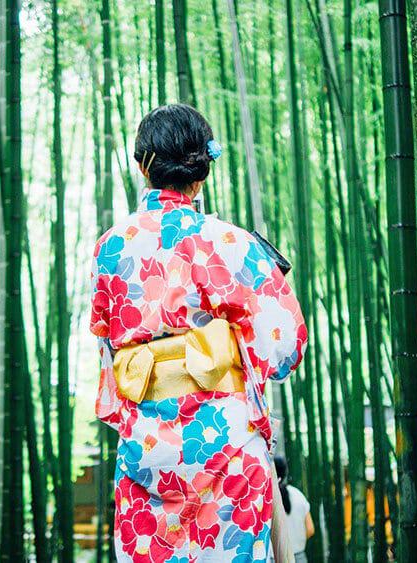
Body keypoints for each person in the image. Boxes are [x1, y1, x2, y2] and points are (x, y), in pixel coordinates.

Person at [88, 104, 308, 562]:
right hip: (227, 445)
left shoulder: (109, 247)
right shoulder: (230, 242)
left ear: (142, 164)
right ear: (202, 171)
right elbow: (286, 346)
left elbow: (109, 351)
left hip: (145, 449)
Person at [273, 456, 315, 562]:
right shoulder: (298, 495)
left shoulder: (266, 498)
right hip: (298, 557)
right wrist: (295, 541)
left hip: (275, 558)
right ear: (285, 472)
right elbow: (310, 529)